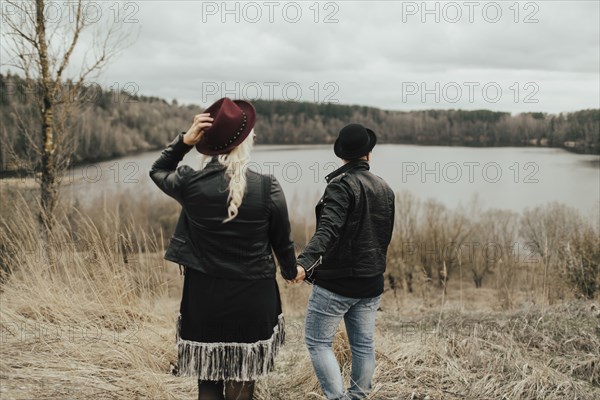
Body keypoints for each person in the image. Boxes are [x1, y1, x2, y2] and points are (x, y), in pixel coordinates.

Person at [149, 97, 298, 400]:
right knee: (242, 379)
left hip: (204, 301)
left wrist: (183, 142)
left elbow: (158, 170)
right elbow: (282, 242)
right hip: (253, 300)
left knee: (208, 380)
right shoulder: (267, 187)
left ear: (208, 143)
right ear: (244, 142)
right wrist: (290, 270)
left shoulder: (189, 183)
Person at [293, 123, 395, 400]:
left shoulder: (341, 185)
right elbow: (383, 237)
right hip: (371, 282)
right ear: (369, 154)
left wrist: (303, 263)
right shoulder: (385, 188)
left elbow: (328, 230)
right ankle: (358, 397)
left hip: (337, 283)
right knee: (363, 345)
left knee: (317, 342)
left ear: (342, 155)